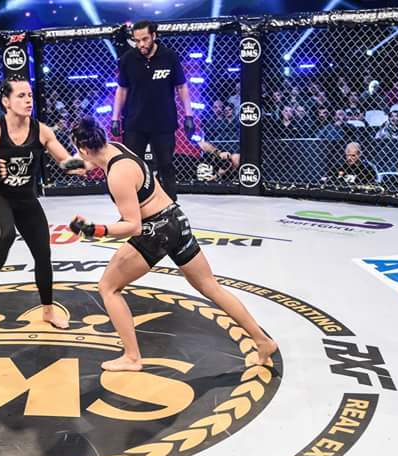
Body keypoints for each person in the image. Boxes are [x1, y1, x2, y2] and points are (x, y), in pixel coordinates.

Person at [68, 117, 277, 372]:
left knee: (108, 287)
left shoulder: (118, 175)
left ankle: (132, 357)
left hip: (156, 230)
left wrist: (94, 230)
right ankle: (262, 341)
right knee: (210, 286)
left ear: (83, 148)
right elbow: (89, 162)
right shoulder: (116, 148)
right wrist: (73, 164)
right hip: (176, 219)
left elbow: (133, 226)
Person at [0, 77, 85, 328]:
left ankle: (48, 311)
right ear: (6, 101)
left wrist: (86, 162)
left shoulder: (42, 131)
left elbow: (65, 162)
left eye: (30, 95)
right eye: (21, 96)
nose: (28, 100)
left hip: (26, 197)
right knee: (6, 235)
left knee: (43, 253)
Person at [111, 19, 194, 201]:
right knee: (132, 166)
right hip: (135, 122)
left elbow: (181, 86)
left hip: (163, 121)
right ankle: (135, 205)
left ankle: (170, 204)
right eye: (137, 40)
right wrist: (115, 118)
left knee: (166, 165)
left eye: (145, 39)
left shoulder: (169, 56)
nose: (141, 44)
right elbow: (122, 89)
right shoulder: (127, 59)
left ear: (154, 36)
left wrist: (189, 115)